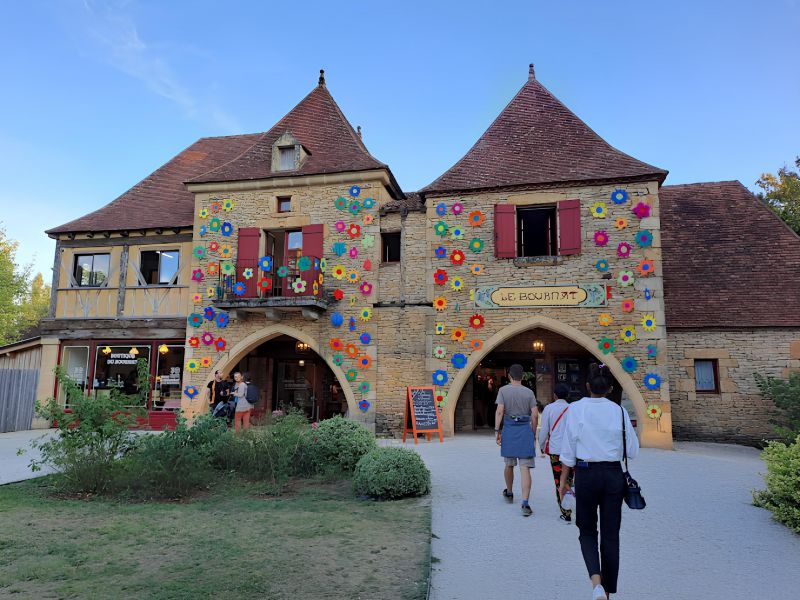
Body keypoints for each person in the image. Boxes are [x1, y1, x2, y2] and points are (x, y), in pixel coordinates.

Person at [558, 365, 639, 600]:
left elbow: (568, 449)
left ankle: (596, 583)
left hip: (586, 473)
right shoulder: (619, 411)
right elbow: (631, 451)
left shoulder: (576, 409)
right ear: (611, 388)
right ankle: (608, 590)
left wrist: (564, 481)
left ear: (587, 386)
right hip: (613, 474)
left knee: (587, 529)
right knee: (611, 533)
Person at [495, 363, 538, 517]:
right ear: (522, 376)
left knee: (509, 463)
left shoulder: (503, 391)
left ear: (509, 376)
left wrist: (496, 431)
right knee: (525, 467)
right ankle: (525, 502)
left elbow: (500, 411)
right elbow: (534, 415)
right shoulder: (529, 392)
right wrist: (533, 434)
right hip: (524, 430)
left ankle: (510, 492)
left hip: (509, 429)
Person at [539, 382, 574, 522]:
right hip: (570, 450)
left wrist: (541, 445)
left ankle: (565, 511)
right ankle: (570, 503)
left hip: (555, 450)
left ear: (554, 395)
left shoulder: (549, 408)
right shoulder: (572, 408)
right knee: (570, 479)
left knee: (558, 480)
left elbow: (544, 430)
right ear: (568, 395)